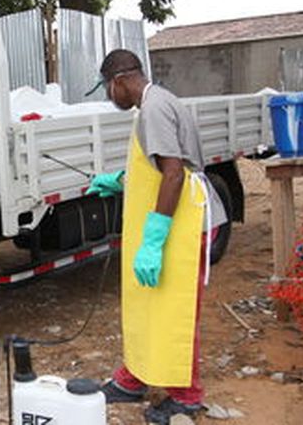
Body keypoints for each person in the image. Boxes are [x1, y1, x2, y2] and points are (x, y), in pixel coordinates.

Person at [87, 49, 227, 424]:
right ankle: (135, 376)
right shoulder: (155, 103)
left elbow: (174, 174)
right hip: (169, 223)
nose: (109, 97)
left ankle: (187, 395)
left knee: (174, 309)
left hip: (182, 226)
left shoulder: (154, 109)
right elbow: (156, 164)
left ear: (118, 81)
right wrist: (119, 181)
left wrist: (154, 240)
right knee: (145, 303)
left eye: (107, 89)